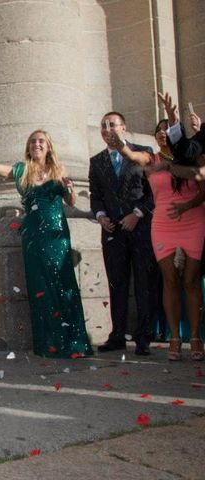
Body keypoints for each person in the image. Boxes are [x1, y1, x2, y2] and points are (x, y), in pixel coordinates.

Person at [0, 128, 93, 358]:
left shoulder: (59, 170)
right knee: (40, 285)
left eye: (41, 141)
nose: (37, 144)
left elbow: (70, 202)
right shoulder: (22, 170)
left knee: (64, 283)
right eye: (32, 141)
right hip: (33, 235)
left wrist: (71, 189)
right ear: (28, 147)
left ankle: (74, 343)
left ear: (48, 146)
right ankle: (49, 344)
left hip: (57, 234)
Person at [104, 115, 205, 361]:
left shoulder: (193, 157)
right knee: (169, 280)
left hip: (193, 219)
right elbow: (133, 156)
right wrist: (121, 145)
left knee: (190, 281)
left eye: (167, 129)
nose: (162, 133)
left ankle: (194, 337)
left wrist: (186, 206)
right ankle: (174, 337)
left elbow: (204, 188)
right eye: (158, 130)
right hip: (163, 224)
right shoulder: (152, 159)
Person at [88, 112, 160, 356]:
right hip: (112, 232)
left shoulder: (143, 151)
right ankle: (117, 335)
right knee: (116, 283)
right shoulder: (96, 161)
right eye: (104, 125)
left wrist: (137, 213)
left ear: (123, 128)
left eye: (113, 124)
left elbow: (152, 192)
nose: (108, 128)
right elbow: (96, 195)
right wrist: (100, 216)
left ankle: (143, 337)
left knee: (143, 284)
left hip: (139, 228)